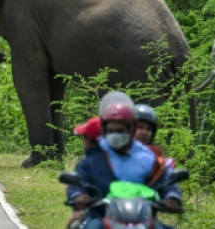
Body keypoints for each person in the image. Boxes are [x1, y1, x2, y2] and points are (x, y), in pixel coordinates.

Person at [67, 92, 183, 229]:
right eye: (111, 130)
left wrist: (172, 197)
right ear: (104, 130)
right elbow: (79, 180)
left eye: (120, 130)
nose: (115, 134)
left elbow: (165, 180)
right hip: (101, 217)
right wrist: (78, 195)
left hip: (144, 219)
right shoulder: (96, 157)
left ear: (131, 130)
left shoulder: (149, 157)